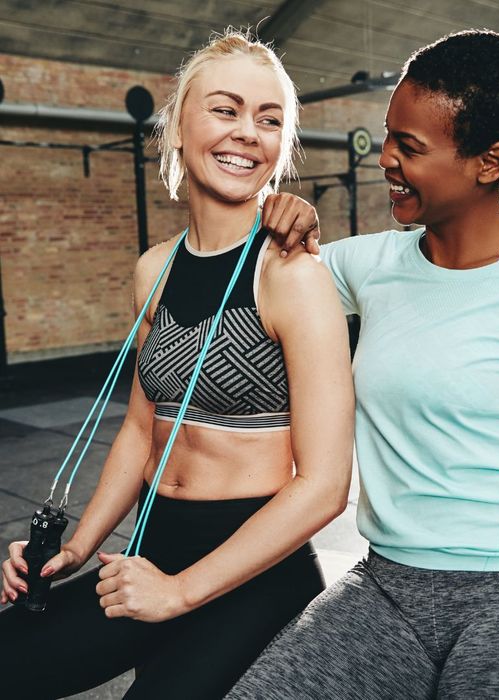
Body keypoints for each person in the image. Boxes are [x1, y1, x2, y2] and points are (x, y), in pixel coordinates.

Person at [227, 30, 499, 700]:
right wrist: (278, 223)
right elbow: (245, 280)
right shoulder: (363, 266)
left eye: (411, 147)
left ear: (489, 162)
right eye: (389, 136)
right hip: (388, 583)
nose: (387, 159)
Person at [0, 29, 354, 699]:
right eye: (226, 109)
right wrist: (78, 550)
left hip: (254, 572)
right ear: (177, 129)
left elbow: (325, 485)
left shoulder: (291, 274)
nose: (248, 132)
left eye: (269, 118)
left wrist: (179, 593)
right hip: (152, 547)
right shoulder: (153, 269)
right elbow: (140, 430)